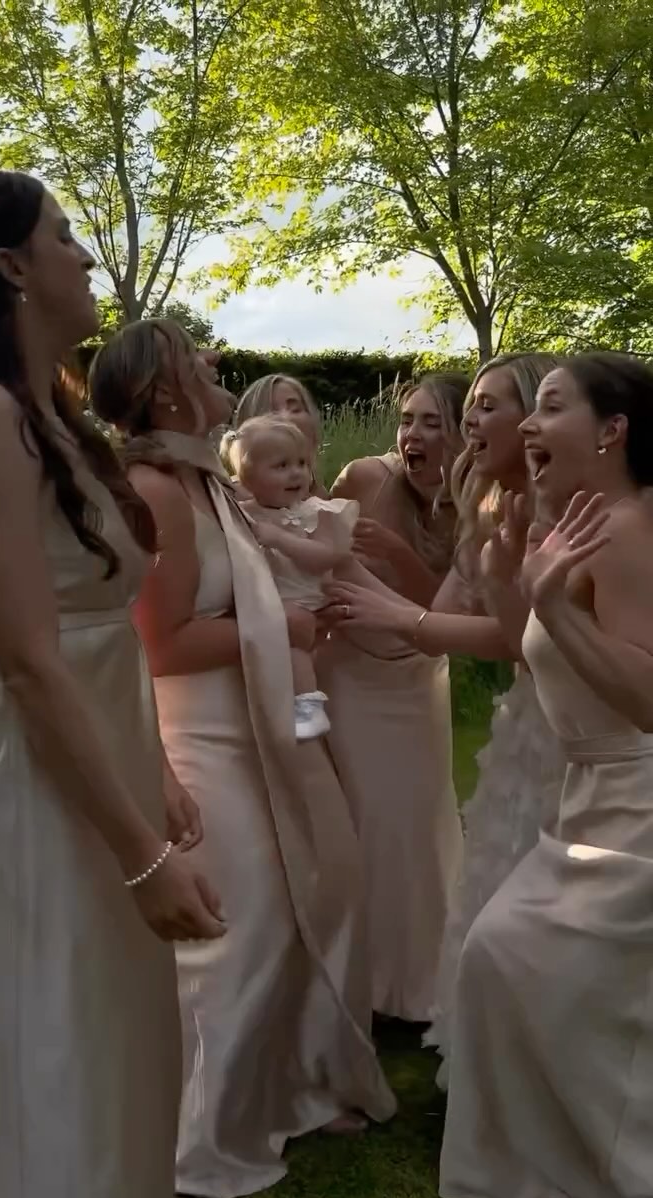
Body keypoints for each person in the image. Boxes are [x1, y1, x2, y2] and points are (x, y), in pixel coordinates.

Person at [0, 170, 224, 1198]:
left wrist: (149, 771)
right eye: (67, 237)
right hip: (17, 763)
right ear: (9, 265)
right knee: (49, 1036)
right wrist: (142, 856)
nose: (88, 259)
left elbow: (100, 638)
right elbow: (25, 659)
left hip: (86, 749)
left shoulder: (41, 410)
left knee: (118, 1036)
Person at [88, 318, 396, 1198]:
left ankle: (284, 1089)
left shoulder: (201, 481)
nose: (216, 361)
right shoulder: (156, 488)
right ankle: (202, 1134)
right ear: (164, 391)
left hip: (254, 729)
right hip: (201, 739)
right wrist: (283, 629)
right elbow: (159, 645)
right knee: (241, 926)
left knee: (291, 909)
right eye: (196, 357)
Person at [439, 352, 653, 1198]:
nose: (527, 425)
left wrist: (552, 607)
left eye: (550, 407)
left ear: (613, 432)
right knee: (503, 958)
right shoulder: (579, 526)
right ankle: (567, 1146)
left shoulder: (632, 527)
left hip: (639, 800)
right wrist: (507, 583)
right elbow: (536, 648)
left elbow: (646, 696)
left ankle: (612, 1159)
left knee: (513, 955)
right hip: (592, 791)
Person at [325, 356, 565, 1054]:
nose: (464, 424)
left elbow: (510, 636)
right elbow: (453, 610)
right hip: (525, 719)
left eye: (480, 408)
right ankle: (501, 1058)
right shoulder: (490, 505)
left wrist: (403, 617)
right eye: (471, 409)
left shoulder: (563, 509)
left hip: (575, 729)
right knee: (499, 889)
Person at [316, 374, 468, 1023]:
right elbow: (309, 550)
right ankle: (357, 985)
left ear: (462, 434)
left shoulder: (475, 501)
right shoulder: (361, 478)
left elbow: (444, 612)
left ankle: (420, 982)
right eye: (408, 420)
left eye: (432, 423)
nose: (413, 436)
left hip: (417, 675)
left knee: (418, 824)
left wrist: (401, 554)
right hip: (351, 672)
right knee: (362, 822)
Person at [221, 413, 358, 739]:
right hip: (268, 604)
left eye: (301, 462)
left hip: (304, 602)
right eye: (281, 466)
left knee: (296, 651)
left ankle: (309, 705)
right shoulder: (245, 513)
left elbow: (327, 557)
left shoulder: (316, 512)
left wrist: (280, 539)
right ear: (248, 479)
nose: (296, 472)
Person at [236, 372, 328, 494]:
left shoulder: (319, 494)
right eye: (272, 412)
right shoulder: (235, 497)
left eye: (295, 409)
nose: (286, 417)